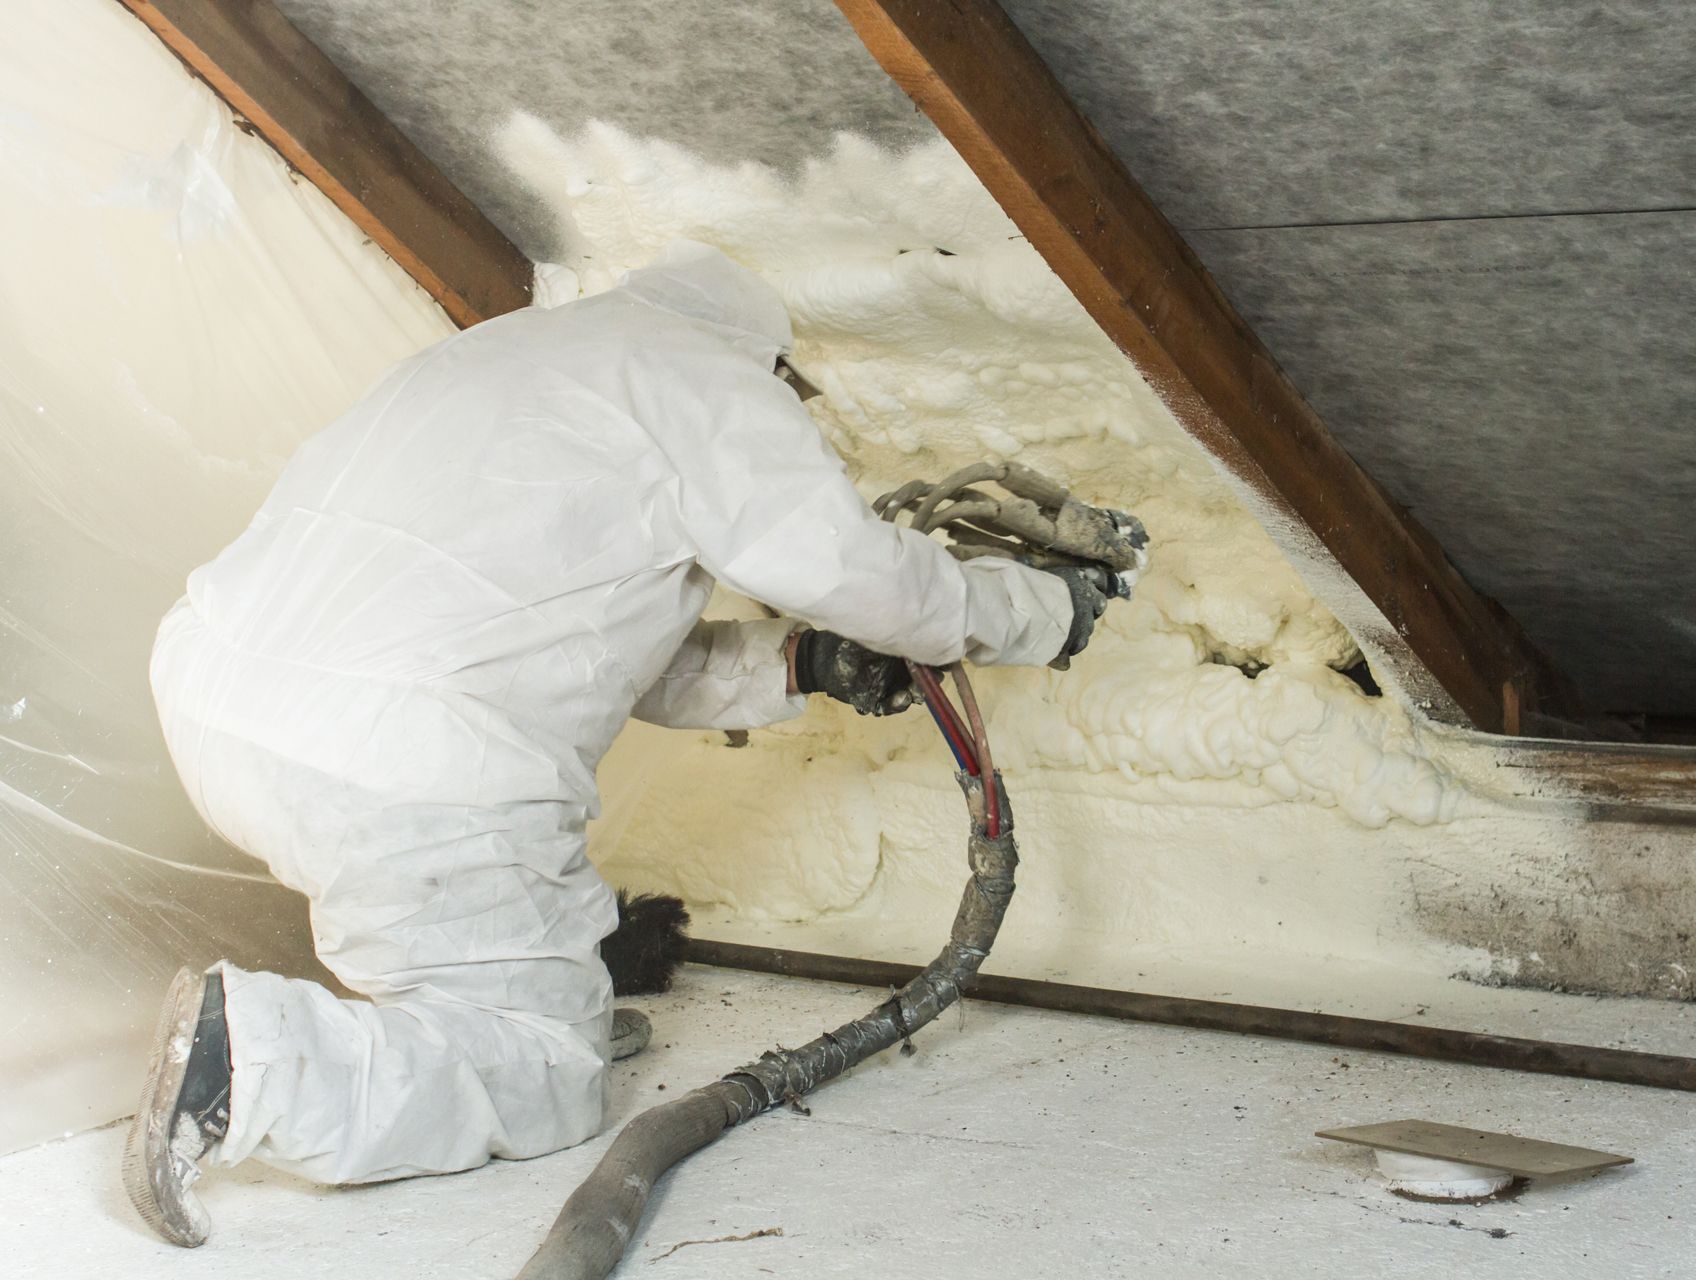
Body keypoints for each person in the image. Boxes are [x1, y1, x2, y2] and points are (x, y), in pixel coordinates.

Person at [124, 241, 1121, 1247]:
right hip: (399, 761)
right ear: (765, 361)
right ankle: (249, 1057)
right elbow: (874, 579)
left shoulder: (504, 357)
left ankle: (473, 1001)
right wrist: (1044, 610)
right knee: (544, 1073)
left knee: (484, 952)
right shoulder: (703, 380)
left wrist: (803, 664)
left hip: (219, 704)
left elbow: (601, 644)